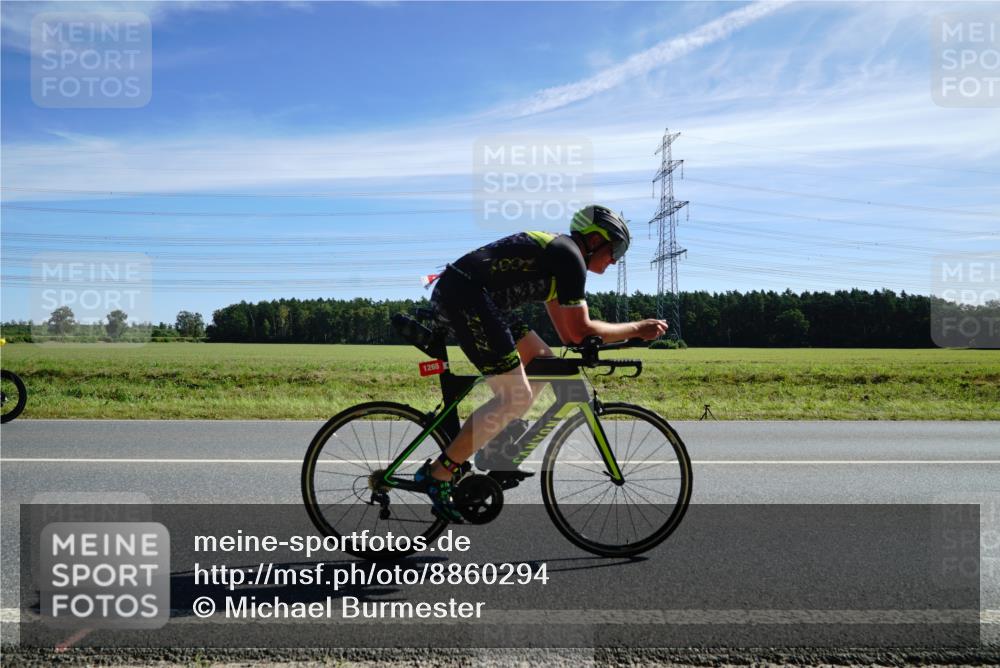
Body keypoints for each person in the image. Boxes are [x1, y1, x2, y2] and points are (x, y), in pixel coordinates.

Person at [416, 205, 668, 521]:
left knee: (543, 361)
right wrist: (637, 328)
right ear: (595, 239)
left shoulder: (561, 258)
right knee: (515, 397)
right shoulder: (569, 257)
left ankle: (497, 444)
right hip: (466, 299)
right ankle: (439, 474)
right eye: (616, 249)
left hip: (475, 299)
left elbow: (570, 336)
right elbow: (581, 330)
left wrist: (610, 340)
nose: (616, 260)